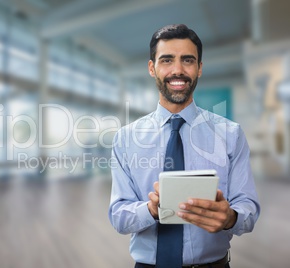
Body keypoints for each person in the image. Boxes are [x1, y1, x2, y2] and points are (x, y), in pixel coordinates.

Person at [108, 24, 260, 268]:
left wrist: (230, 217)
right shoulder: (125, 139)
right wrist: (150, 209)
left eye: (187, 60)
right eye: (167, 60)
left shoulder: (230, 135)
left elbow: (248, 208)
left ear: (199, 68)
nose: (177, 70)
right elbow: (118, 216)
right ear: (152, 68)